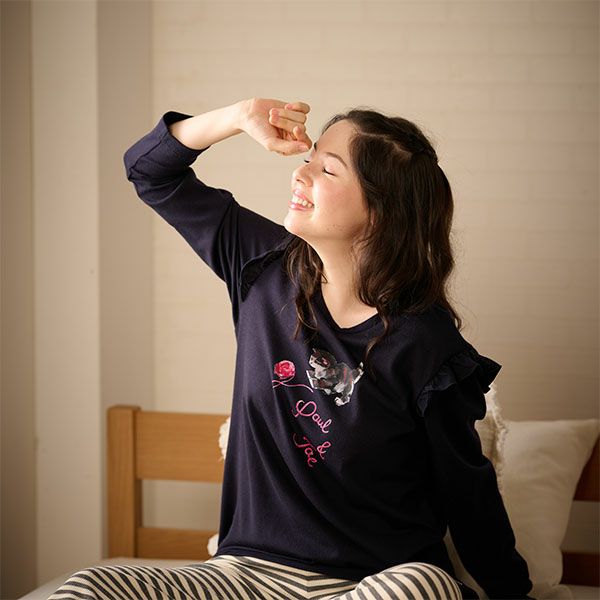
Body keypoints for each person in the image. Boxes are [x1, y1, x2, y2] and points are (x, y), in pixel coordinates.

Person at [49, 98, 535, 600]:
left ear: (381, 212)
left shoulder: (426, 345)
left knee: (422, 585)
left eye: (327, 169)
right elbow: (148, 170)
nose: (300, 175)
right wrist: (239, 117)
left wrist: (514, 593)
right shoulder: (263, 269)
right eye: (309, 159)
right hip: (243, 578)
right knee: (88, 586)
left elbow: (468, 495)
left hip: (371, 584)